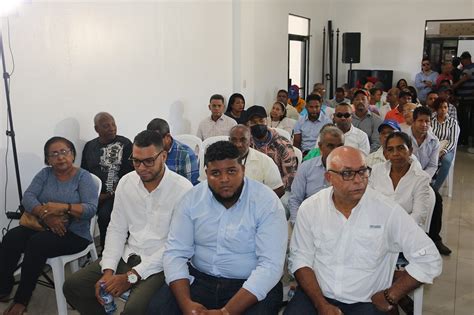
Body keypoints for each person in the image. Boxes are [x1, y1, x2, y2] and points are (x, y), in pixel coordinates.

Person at [284, 146, 442, 315]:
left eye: (363, 171)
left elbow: (430, 259)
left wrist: (391, 295)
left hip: (366, 301)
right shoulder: (311, 207)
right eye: (347, 173)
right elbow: (300, 258)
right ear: (329, 177)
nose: (358, 180)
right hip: (316, 294)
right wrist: (321, 304)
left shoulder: (387, 211)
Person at [147, 141, 288, 315]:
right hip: (199, 278)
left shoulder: (266, 202)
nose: (224, 179)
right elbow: (175, 253)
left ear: (242, 170)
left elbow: (270, 265)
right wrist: (186, 305)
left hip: (248, 283)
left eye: (231, 171)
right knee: (157, 310)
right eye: (215, 173)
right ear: (206, 174)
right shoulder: (191, 199)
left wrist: (226, 312)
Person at [63, 130, 193, 315]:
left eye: (148, 161)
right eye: (136, 161)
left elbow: (175, 245)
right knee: (73, 286)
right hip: (129, 253)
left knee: (134, 309)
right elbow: (116, 229)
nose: (140, 168)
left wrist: (130, 277)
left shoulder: (183, 189)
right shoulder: (127, 182)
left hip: (162, 263)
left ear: (163, 156)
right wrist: (108, 270)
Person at [0, 137, 98, 315]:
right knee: (11, 237)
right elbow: (28, 197)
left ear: (73, 154)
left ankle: (21, 300)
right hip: (42, 225)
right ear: (48, 159)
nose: (60, 157)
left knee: (37, 244)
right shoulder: (45, 174)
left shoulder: (83, 177)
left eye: (64, 152)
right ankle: (3, 288)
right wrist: (47, 217)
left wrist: (64, 207)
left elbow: (91, 209)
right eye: (54, 154)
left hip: (75, 233)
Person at [81, 112, 133, 251]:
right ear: (96, 129)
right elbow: (84, 173)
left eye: (113, 124)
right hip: (94, 194)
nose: (112, 128)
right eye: (106, 126)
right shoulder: (89, 147)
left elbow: (130, 174)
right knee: (76, 213)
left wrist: (110, 194)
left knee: (105, 215)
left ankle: (107, 251)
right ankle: (82, 249)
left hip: (117, 193)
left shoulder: (125, 144)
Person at [369, 132, 433, 227]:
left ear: (410, 151)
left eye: (401, 148)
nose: (395, 154)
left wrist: (394, 230)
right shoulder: (377, 170)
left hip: (406, 231)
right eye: (390, 150)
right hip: (377, 226)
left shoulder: (421, 178)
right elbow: (369, 202)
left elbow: (418, 216)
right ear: (386, 154)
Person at [289, 125, 344, 224]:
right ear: (320, 146)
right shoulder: (306, 167)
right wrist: (297, 223)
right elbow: (295, 200)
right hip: (308, 218)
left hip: (338, 221)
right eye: (330, 146)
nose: (335, 150)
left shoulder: (350, 171)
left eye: (339, 146)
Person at [247, 105, 297, 190]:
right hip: (251, 188)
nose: (258, 124)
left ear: (267, 121)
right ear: (248, 124)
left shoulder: (283, 145)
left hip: (278, 189)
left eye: (261, 121)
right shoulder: (246, 144)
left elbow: (290, 176)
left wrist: (267, 192)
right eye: (253, 122)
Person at [228, 125, 285, 197]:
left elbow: (278, 190)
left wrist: (258, 204)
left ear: (250, 141)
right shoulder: (219, 160)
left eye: (243, 140)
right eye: (234, 140)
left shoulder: (265, 161)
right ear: (229, 140)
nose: (238, 144)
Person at [146, 118, 199, 185]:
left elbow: (192, 186)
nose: (153, 144)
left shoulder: (186, 154)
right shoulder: (149, 151)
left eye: (157, 140)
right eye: (151, 140)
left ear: (168, 137)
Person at [431, 97, 460, 191]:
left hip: (447, 148)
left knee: (447, 161)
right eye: (440, 107)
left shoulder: (453, 122)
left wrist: (443, 151)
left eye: (445, 107)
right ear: (436, 108)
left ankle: (435, 189)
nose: (443, 110)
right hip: (433, 147)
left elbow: (453, 141)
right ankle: (426, 184)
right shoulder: (431, 120)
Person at [406, 106, 440, 178]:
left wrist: (422, 179)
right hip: (405, 176)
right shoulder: (403, 138)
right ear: (414, 121)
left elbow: (432, 166)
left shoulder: (434, 141)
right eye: (420, 120)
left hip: (424, 178)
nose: (424, 124)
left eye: (427, 121)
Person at [452, 51, 474, 151]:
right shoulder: (462, 69)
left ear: (468, 59)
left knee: (468, 121)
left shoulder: (471, 68)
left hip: (470, 99)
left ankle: (467, 142)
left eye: (463, 60)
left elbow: (461, 82)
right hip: (462, 99)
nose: (461, 62)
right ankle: (464, 141)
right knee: (463, 120)